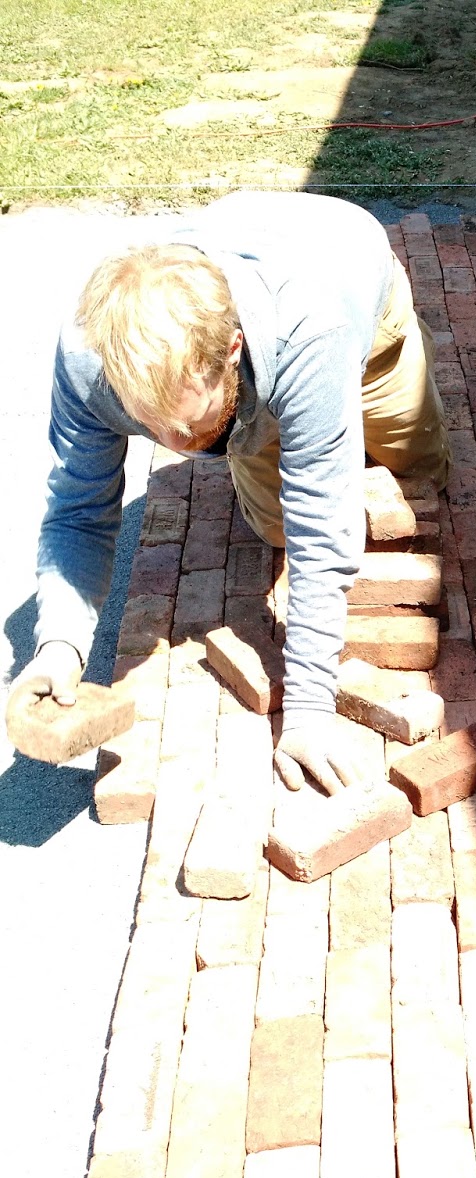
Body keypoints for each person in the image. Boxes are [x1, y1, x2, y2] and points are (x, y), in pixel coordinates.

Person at [6, 191, 451, 795]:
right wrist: (59, 646)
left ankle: (362, 385)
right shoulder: (91, 355)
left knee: (419, 470)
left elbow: (322, 528)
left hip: (348, 285)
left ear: (233, 350)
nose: (177, 445)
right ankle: (287, 423)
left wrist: (309, 711)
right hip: (256, 311)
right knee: (274, 526)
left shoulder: (313, 329)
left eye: (190, 422)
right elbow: (78, 513)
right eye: (150, 423)